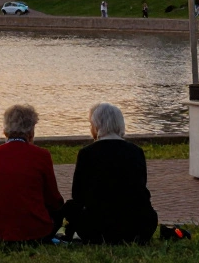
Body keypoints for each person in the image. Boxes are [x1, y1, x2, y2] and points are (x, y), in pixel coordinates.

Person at [63, 103, 158, 244]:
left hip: (96, 227)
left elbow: (78, 195)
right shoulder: (136, 151)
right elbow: (140, 187)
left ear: (95, 126)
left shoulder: (87, 153)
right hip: (134, 226)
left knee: (70, 207)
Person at [0, 104, 64, 242]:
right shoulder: (42, 155)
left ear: (5, 130)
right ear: (31, 132)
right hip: (35, 230)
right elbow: (53, 198)